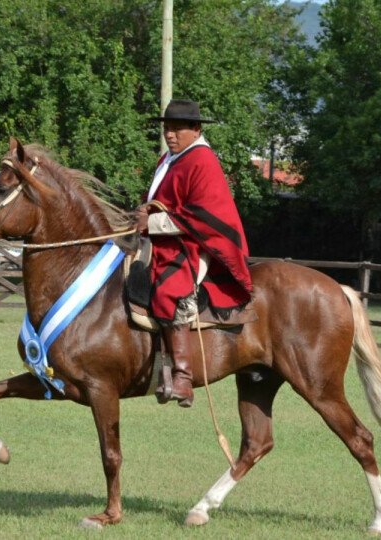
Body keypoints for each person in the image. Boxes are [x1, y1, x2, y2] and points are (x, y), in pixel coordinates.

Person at [135, 99, 253, 408]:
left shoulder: (202, 160)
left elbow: (202, 215)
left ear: (196, 129)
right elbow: (160, 200)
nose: (169, 135)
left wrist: (153, 222)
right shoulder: (168, 160)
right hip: (166, 238)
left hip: (196, 243)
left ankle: (183, 377)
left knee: (169, 288)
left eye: (177, 129)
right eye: (167, 129)